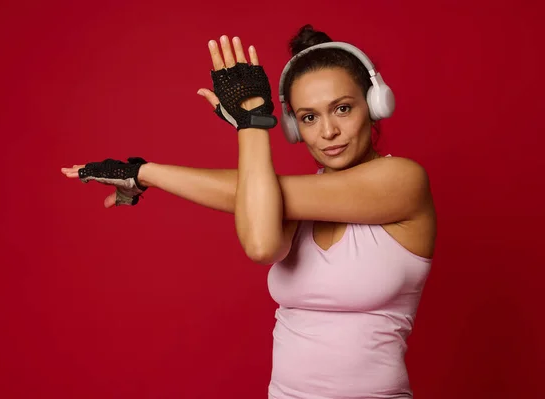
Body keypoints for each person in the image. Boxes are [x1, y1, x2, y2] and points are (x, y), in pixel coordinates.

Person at [61, 24, 436, 399]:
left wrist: (252, 123)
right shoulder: (290, 202)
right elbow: (266, 240)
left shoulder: (403, 180)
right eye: (308, 117)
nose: (328, 132)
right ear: (292, 125)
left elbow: (257, 237)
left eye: (342, 108)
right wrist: (141, 173)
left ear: (375, 104)